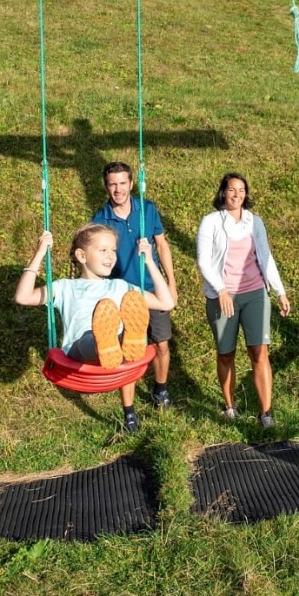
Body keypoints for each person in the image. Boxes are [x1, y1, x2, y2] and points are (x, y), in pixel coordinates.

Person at [15, 224, 174, 433]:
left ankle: (124, 341)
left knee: (118, 333)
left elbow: (166, 303)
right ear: (81, 255)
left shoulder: (120, 286)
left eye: (113, 250)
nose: (110, 256)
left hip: (116, 353)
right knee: (92, 338)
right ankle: (111, 343)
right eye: (103, 250)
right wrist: (39, 254)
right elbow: (23, 297)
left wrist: (150, 261)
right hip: (79, 351)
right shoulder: (65, 287)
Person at [195, 172, 290, 428]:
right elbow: (203, 260)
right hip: (222, 297)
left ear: (245, 195)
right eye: (232, 190)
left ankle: (266, 413)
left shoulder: (254, 222)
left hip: (254, 292)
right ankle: (229, 406)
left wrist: (279, 291)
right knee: (226, 354)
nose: (236, 195)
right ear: (223, 192)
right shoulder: (211, 222)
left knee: (259, 352)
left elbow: (266, 258)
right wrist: (221, 289)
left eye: (241, 190)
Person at [91, 161, 178, 410]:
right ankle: (129, 410)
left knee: (161, 343)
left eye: (122, 183)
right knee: (127, 350)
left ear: (131, 183)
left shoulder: (147, 210)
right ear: (106, 187)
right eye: (112, 185)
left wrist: (171, 283)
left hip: (152, 288)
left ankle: (160, 391)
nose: (118, 189)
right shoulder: (100, 220)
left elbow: (162, 245)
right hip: (121, 292)